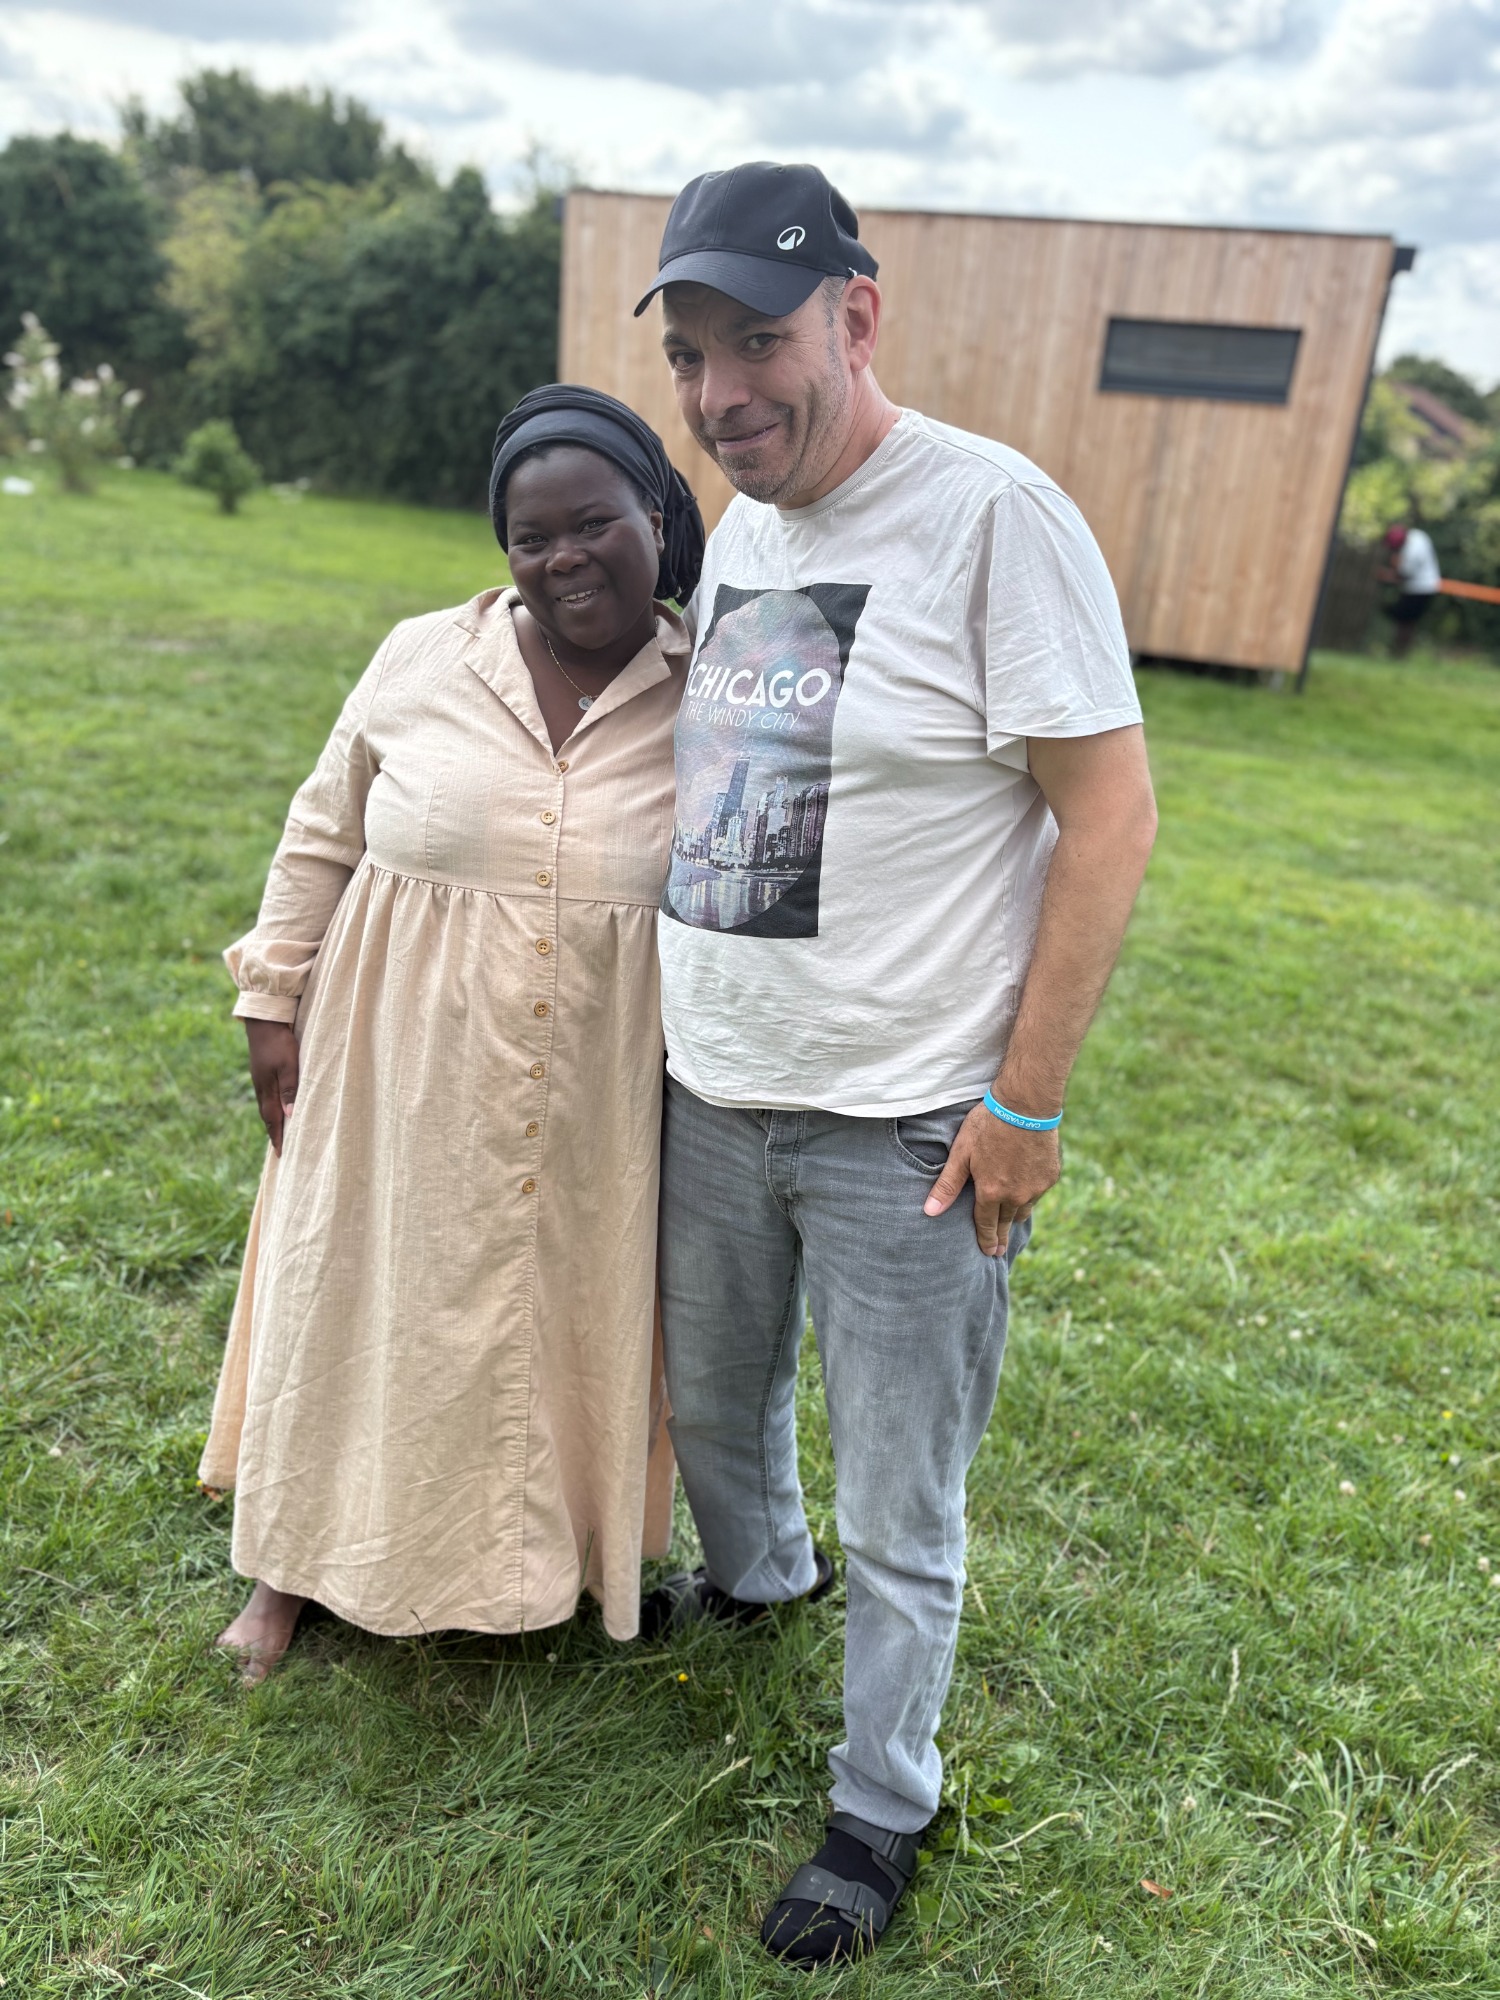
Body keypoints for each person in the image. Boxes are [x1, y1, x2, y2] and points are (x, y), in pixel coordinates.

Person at [633, 161, 1158, 1967]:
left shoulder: (994, 517)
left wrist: (1025, 1102)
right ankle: (756, 1580)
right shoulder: (749, 527)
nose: (721, 395)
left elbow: (1110, 817)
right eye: (690, 356)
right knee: (718, 1415)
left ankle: (882, 1804)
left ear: (856, 316)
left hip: (909, 1129)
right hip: (717, 1088)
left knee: (903, 1494)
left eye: (756, 343)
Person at [201, 387, 704, 1682]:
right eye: (531, 538)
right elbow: (321, 828)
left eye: (592, 523)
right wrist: (272, 996)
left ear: (656, 517)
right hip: (395, 1054)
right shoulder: (424, 655)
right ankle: (287, 1569)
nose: (563, 557)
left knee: (553, 1305)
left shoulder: (708, 686)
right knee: (360, 1285)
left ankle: (536, 1561)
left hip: (597, 1074)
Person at [1379, 522, 1441, 658]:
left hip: (1420, 589)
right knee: (1405, 620)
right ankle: (1399, 652)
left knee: (1405, 621)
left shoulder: (1413, 552)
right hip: (1421, 587)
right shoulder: (1418, 535)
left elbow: (1404, 574)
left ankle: (1399, 652)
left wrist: (1389, 574)